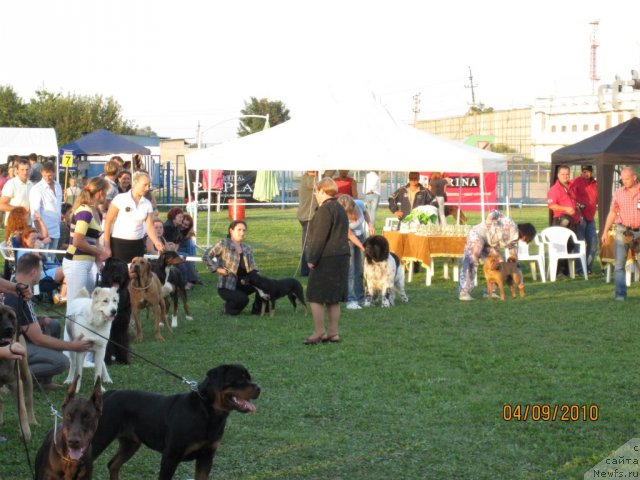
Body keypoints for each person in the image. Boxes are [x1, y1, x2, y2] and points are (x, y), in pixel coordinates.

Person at [4, 253, 92, 389]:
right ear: (34, 272)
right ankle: (11, 379)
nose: (42, 273)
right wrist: (72, 346)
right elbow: (38, 339)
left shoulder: (15, 283)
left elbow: (20, 321)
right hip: (12, 346)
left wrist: (38, 319)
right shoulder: (17, 295)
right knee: (61, 362)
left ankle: (44, 381)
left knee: (54, 325)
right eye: (41, 270)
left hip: (17, 337)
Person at [304, 177, 350, 344]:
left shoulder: (324, 209)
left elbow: (319, 237)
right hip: (342, 256)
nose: (315, 194)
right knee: (333, 298)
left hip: (327, 258)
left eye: (317, 191)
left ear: (323, 190)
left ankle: (319, 331)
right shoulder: (340, 207)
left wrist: (311, 258)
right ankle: (333, 332)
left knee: (314, 296)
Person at [458, 210, 536, 301]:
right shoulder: (510, 224)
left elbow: (513, 262)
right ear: (525, 234)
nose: (524, 241)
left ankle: (490, 291)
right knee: (473, 257)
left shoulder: (514, 242)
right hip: (478, 234)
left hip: (489, 243)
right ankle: (464, 292)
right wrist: (489, 218)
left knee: (500, 262)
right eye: (526, 239)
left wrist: (518, 277)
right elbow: (495, 212)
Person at [62, 176, 110, 306]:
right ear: (100, 192)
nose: (106, 196)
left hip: (86, 263)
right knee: (75, 303)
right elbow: (78, 241)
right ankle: (69, 327)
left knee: (86, 303)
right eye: (106, 193)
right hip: (76, 262)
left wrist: (99, 260)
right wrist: (99, 252)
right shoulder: (85, 211)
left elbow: (94, 241)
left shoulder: (95, 211)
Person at [103, 171, 163, 263]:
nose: (147, 188)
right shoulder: (120, 199)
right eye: (145, 185)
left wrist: (156, 242)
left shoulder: (147, 204)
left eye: (149, 185)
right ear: (135, 183)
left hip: (138, 244)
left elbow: (149, 226)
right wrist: (107, 247)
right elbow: (108, 222)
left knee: (136, 274)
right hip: (119, 243)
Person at [202, 220, 259, 315]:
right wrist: (217, 269)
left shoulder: (247, 248)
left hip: (244, 282)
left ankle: (257, 310)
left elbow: (253, 265)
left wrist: (257, 276)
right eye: (239, 230)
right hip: (227, 285)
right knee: (243, 299)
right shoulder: (223, 244)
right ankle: (228, 309)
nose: (242, 233)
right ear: (231, 231)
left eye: (244, 230)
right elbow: (206, 256)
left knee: (262, 286)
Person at [600, 166, 640, 301]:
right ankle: (620, 294)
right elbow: (612, 212)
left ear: (635, 177)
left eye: (627, 179)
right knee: (619, 265)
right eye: (622, 179)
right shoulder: (618, 192)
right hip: (623, 231)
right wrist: (605, 231)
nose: (624, 181)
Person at [337, 195, 370, 310]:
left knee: (360, 269)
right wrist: (363, 247)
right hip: (348, 241)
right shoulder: (341, 215)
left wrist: (370, 224)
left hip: (361, 237)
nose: (350, 213)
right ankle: (350, 300)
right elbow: (350, 235)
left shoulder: (359, 204)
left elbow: (365, 213)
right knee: (350, 271)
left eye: (350, 210)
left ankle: (361, 298)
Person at [547, 164, 580, 276]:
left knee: (570, 245)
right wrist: (566, 209)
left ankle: (567, 271)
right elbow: (551, 205)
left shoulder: (571, 186)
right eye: (563, 174)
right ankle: (558, 271)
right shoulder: (554, 189)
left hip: (572, 221)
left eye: (567, 174)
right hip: (561, 221)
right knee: (560, 246)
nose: (565, 176)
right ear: (558, 175)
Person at [28, 161, 62, 251]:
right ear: (42, 173)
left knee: (52, 259)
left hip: (56, 229)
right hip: (43, 231)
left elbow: (58, 207)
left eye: (50, 175)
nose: (48, 177)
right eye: (45, 175)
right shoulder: (37, 189)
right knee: (42, 258)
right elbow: (35, 214)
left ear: (54, 173)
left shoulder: (58, 186)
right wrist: (40, 233)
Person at [570, 165, 598, 274]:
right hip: (580, 217)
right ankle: (579, 269)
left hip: (590, 217)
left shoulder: (595, 184)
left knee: (593, 243)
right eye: (583, 171)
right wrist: (576, 205)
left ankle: (587, 267)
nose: (585, 174)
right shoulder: (576, 181)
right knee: (579, 243)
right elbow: (569, 195)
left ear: (591, 172)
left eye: (587, 172)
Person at [296, 171, 318, 277]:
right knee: (308, 244)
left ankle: (307, 269)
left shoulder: (307, 178)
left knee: (308, 243)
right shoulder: (310, 179)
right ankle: (306, 270)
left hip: (306, 215)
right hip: (308, 216)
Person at [0, 157, 32, 226]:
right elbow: (1, 205)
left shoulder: (31, 184)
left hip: (28, 224)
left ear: (30, 170)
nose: (25, 172)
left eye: (27, 169)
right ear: (17, 170)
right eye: (22, 170)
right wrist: (20, 210)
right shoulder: (11, 184)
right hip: (14, 225)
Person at [177, 214, 203, 288]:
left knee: (190, 244)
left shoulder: (187, 233)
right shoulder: (176, 229)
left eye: (186, 225)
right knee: (189, 249)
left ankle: (193, 272)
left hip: (181, 249)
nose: (183, 225)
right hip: (176, 250)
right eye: (183, 223)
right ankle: (193, 274)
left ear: (189, 227)